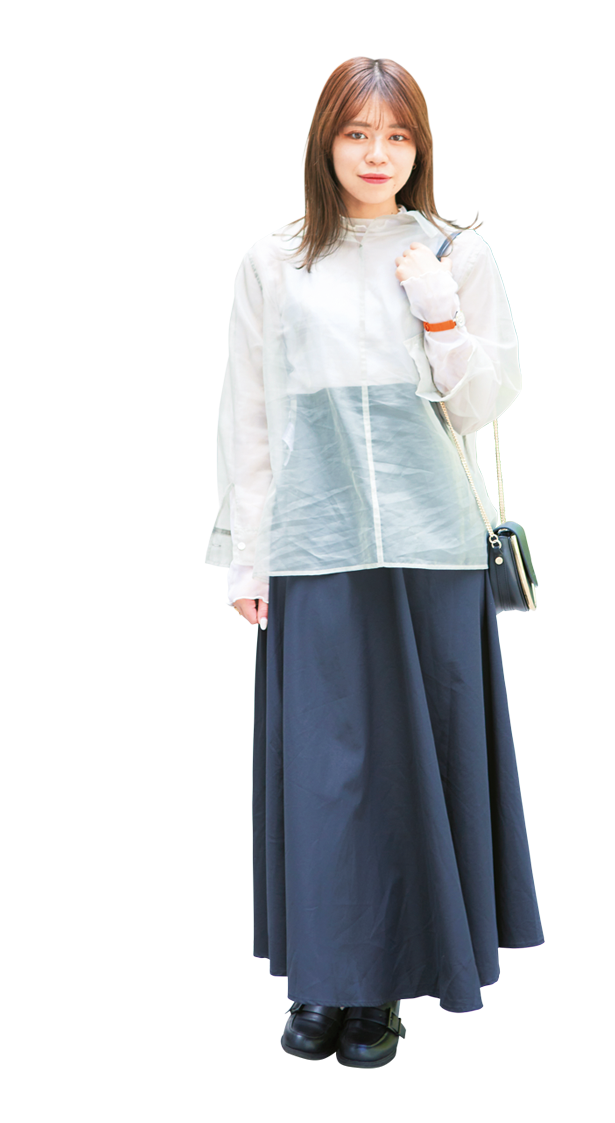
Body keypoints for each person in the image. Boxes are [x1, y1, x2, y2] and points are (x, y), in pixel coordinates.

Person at [206, 55, 544, 1070]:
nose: (376, 153)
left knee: (417, 767)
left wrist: (440, 312)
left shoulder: (453, 253)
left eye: (397, 135)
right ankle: (324, 980)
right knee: (329, 771)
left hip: (431, 548)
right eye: (358, 132)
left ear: (418, 148)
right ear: (326, 139)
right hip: (316, 545)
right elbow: (251, 414)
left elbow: (484, 401)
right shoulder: (273, 262)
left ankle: (385, 986)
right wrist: (250, 557)